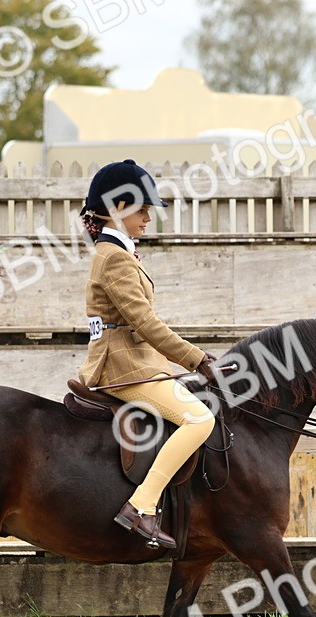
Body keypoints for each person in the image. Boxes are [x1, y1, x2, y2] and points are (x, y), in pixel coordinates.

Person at [76, 159, 218, 549]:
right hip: (122, 368)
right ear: (118, 207)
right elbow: (145, 324)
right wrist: (197, 359)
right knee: (198, 419)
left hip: (137, 361)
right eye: (142, 209)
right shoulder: (115, 257)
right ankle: (141, 505)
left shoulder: (120, 252)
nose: (148, 218)